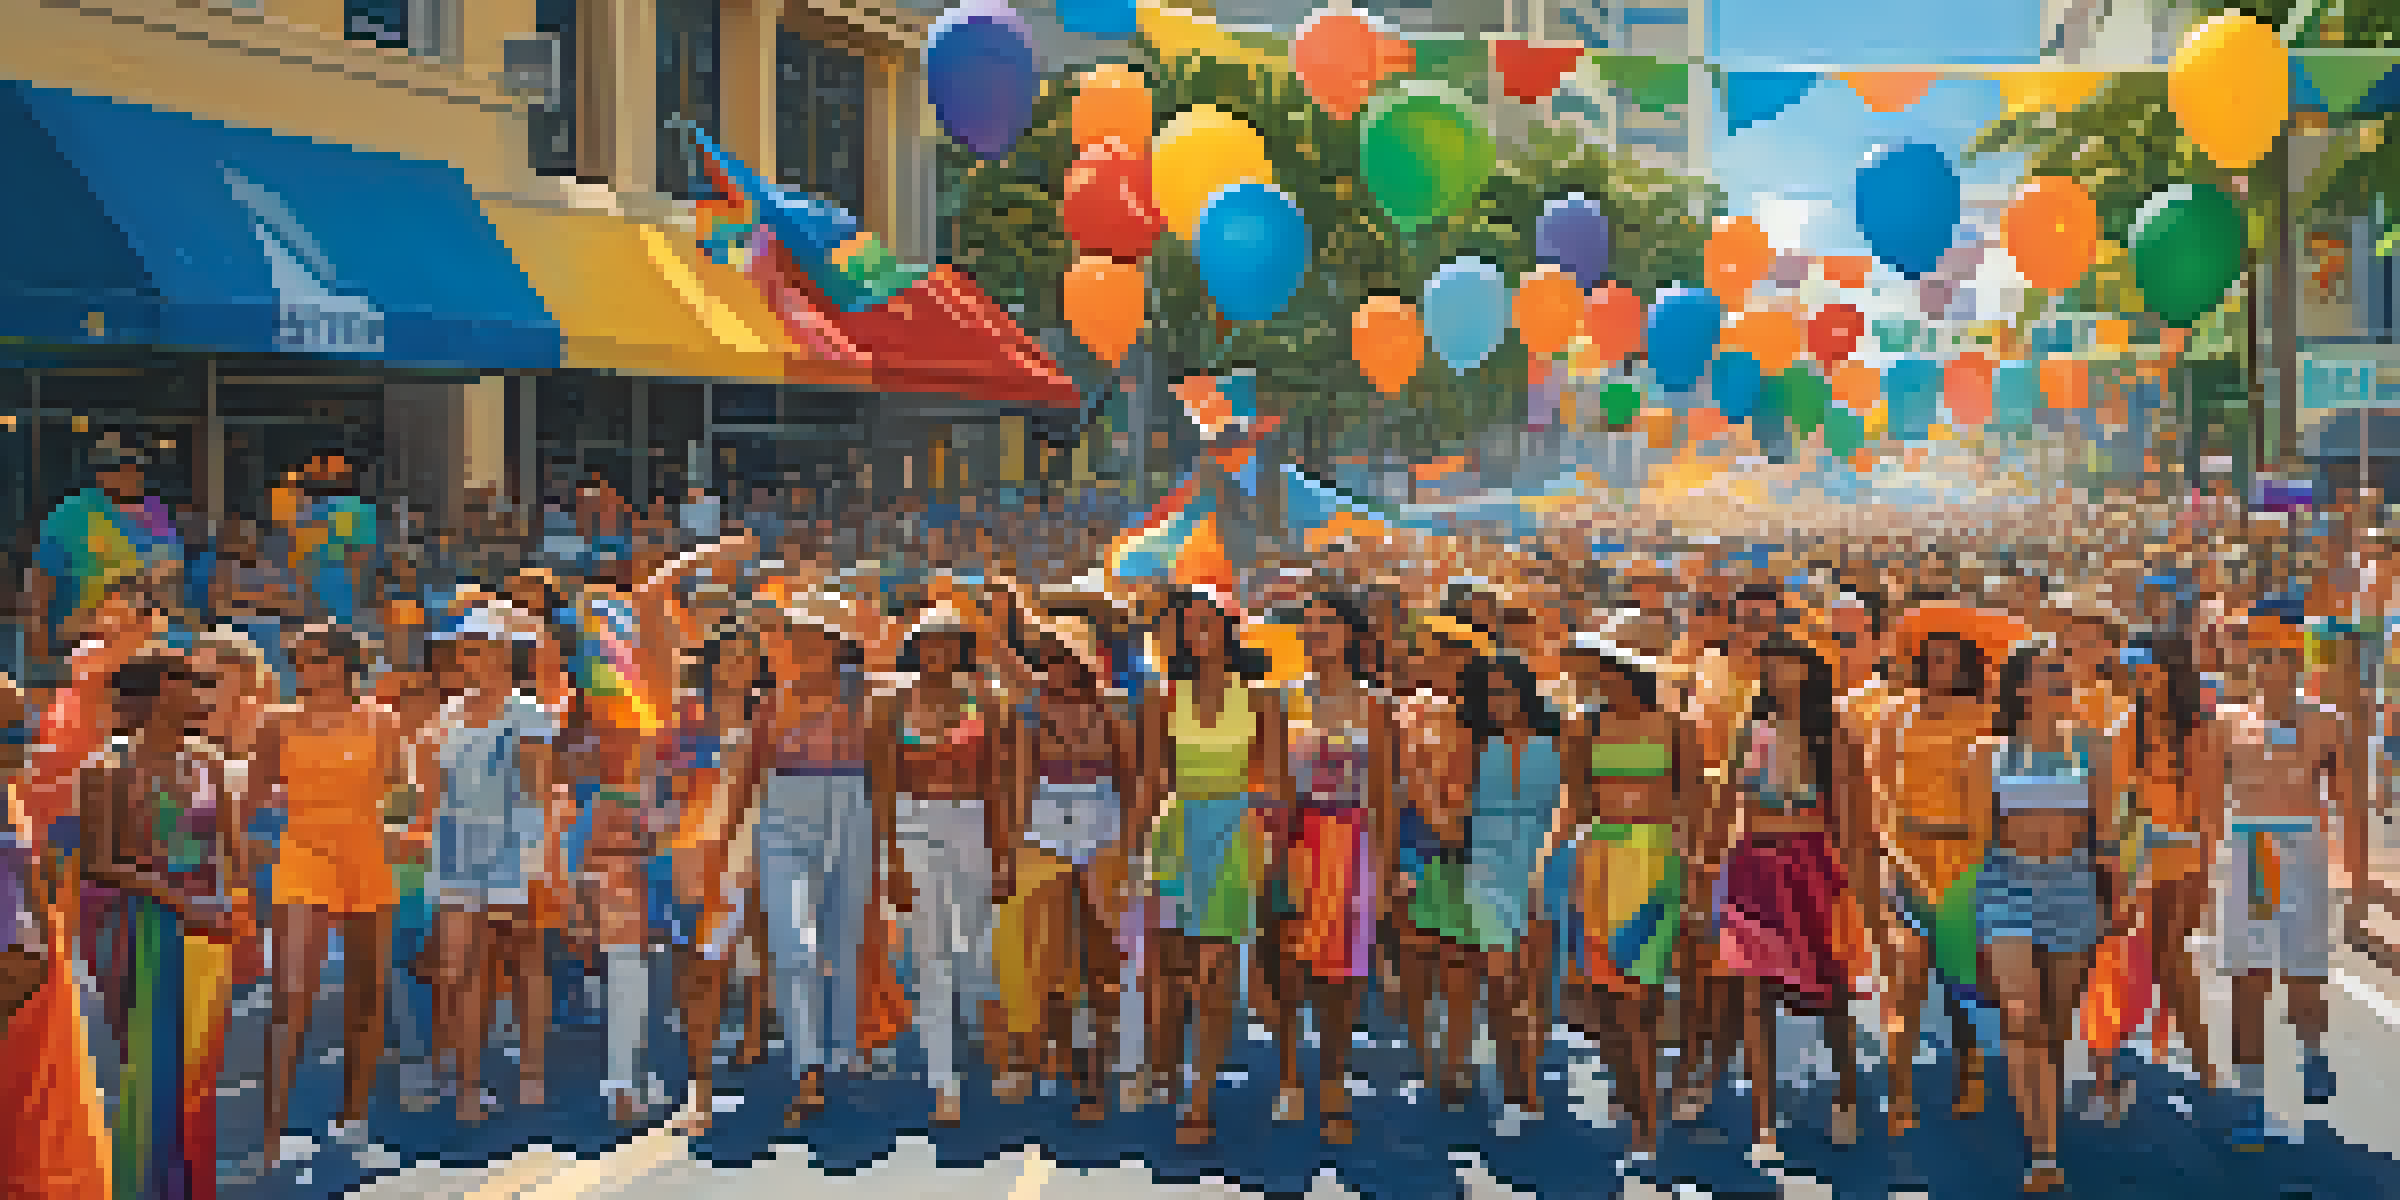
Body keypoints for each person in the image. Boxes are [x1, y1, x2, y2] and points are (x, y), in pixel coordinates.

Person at [81, 653, 241, 1200]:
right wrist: (179, 901)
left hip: (200, 923)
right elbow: (98, 862)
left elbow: (222, 850)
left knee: (199, 1066)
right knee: (147, 1066)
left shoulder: (210, 760)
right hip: (135, 922)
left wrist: (225, 905)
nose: (200, 693)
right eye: (189, 684)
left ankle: (189, 1186)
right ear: (159, 694)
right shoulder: (107, 766)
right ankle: (141, 1187)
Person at [1137, 589, 1285, 1144]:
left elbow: (1270, 783)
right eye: (1187, 623)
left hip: (1234, 832)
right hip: (1175, 834)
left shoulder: (1263, 698)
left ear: (1228, 629)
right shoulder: (1160, 696)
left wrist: (1269, 851)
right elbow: (1153, 779)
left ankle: (1200, 1099)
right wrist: (1135, 848)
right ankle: (1167, 1067)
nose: (1197, 630)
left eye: (1206, 621)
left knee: (1215, 971)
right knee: (1173, 969)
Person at [253, 627, 405, 1164]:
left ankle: (354, 1118)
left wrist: (400, 827)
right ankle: (271, 1136)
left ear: (342, 664)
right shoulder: (275, 721)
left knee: (366, 993)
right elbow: (255, 800)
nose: (300, 666)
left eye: (311, 658)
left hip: (367, 853)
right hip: (302, 852)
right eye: (296, 657)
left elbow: (400, 792)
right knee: (292, 996)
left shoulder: (383, 721)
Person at [1975, 642, 2123, 1193]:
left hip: (2072, 887)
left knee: (2056, 1026)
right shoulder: (1988, 754)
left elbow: (2104, 837)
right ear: (2021, 688)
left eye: (2065, 671)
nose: (2062, 679)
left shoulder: (2095, 750)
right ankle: (2042, 1153)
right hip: (2006, 884)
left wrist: (2116, 902)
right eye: (2049, 672)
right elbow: (1978, 840)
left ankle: (2045, 1128)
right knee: (2021, 1017)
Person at [1715, 637, 1865, 1161]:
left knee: (1831, 992)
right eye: (1770, 667)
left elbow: (1850, 819)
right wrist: (1710, 864)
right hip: (1752, 865)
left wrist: (1856, 887)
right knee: (1753, 997)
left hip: (1813, 867)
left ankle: (1845, 1095)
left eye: (1788, 667)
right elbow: (1729, 803)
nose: (1778, 677)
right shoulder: (1748, 732)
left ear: (1808, 674)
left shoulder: (1833, 735)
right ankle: (1763, 1122)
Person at [414, 607, 560, 1123]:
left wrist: (537, 858)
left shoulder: (529, 713)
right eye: (461, 650)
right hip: (456, 853)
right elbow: (428, 798)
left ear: (501, 655)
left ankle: (534, 1072)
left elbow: (538, 791)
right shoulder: (445, 716)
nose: (463, 659)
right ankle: (469, 1086)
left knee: (523, 959)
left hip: (513, 849)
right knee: (460, 969)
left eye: (474, 649)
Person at [1552, 637, 1695, 1161]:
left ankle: (1643, 1107)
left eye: (1602, 672)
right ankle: (1634, 1098)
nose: (1596, 682)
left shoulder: (1676, 726)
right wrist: (1550, 862)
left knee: (1645, 998)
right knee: (1608, 998)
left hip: (1656, 863)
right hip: (1602, 862)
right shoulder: (1583, 728)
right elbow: (1574, 804)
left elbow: (1692, 802)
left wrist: (1695, 868)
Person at [2215, 615, 2355, 1150]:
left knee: (2303, 979)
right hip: (2254, 850)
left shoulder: (2326, 720)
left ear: (2298, 662)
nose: (2272, 666)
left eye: (2282, 655)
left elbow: (2346, 801)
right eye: (2263, 655)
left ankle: (2313, 1051)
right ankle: (2251, 1101)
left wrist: (2359, 884)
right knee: (2249, 980)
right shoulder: (2227, 720)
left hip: (2303, 849)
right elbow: (2211, 801)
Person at [1258, 589, 1390, 1143]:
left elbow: (1383, 793)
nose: (1315, 633)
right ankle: (1290, 1071)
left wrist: (1381, 870)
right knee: (1287, 966)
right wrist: (1274, 853)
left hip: (1354, 841)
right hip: (1297, 839)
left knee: (1343, 976)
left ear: (1351, 634)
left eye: (1326, 623)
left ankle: (1332, 1077)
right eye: (1307, 624)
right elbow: (1273, 786)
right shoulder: (1282, 699)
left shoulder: (1376, 705)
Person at [1005, 611, 1134, 1124]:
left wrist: (1134, 843)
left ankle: (1097, 1065)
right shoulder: (1030, 711)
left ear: (1085, 661)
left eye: (1065, 657)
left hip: (1103, 832)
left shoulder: (1113, 709)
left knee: (1103, 958)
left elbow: (1130, 777)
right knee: (1052, 956)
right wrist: (1010, 847)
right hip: (1044, 831)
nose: (1055, 667)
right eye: (1048, 657)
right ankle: (1073, 1063)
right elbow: (1019, 779)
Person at [889, 602, 1011, 1127]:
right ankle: (944, 1078)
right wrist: (890, 856)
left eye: (947, 641)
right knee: (931, 955)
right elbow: (884, 783)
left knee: (979, 948)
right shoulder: (893, 702)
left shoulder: (983, 699)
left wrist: (1002, 852)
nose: (936, 651)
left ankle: (993, 1051)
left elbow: (997, 781)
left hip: (972, 823)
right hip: (913, 823)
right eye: (927, 641)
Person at [1875, 628, 1997, 1135]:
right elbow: (1879, 791)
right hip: (1906, 861)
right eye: (1933, 659)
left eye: (1951, 659)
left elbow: (1995, 792)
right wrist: (1893, 854)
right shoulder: (1896, 715)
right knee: (1906, 981)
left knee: (1962, 983)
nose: (1941, 668)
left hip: (1967, 864)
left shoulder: (1989, 716)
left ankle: (1970, 1071)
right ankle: (1899, 1091)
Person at [1452, 652, 1566, 1133]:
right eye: (1491, 693)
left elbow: (1570, 801)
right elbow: (1456, 800)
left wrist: (1551, 852)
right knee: (1498, 982)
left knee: (1534, 983)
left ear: (1525, 690)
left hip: (1546, 859)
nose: (1500, 702)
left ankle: (1528, 1082)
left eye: (1507, 690)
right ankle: (1510, 1070)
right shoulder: (1473, 742)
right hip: (1488, 859)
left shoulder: (1560, 739)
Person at [659, 615, 764, 1133]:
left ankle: (790, 1072)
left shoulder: (770, 717)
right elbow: (661, 786)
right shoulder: (686, 718)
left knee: (778, 966)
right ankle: (699, 1087)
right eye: (729, 655)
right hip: (692, 859)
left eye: (747, 655)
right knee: (700, 973)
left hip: (761, 857)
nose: (737, 665)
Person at [29, 438, 184, 672]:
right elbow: (42, 580)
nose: (132, 474)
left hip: (146, 641)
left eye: (137, 468)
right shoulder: (72, 513)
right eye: (121, 467)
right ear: (101, 473)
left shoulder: (155, 512)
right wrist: (37, 648)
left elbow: (171, 579)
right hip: (79, 640)